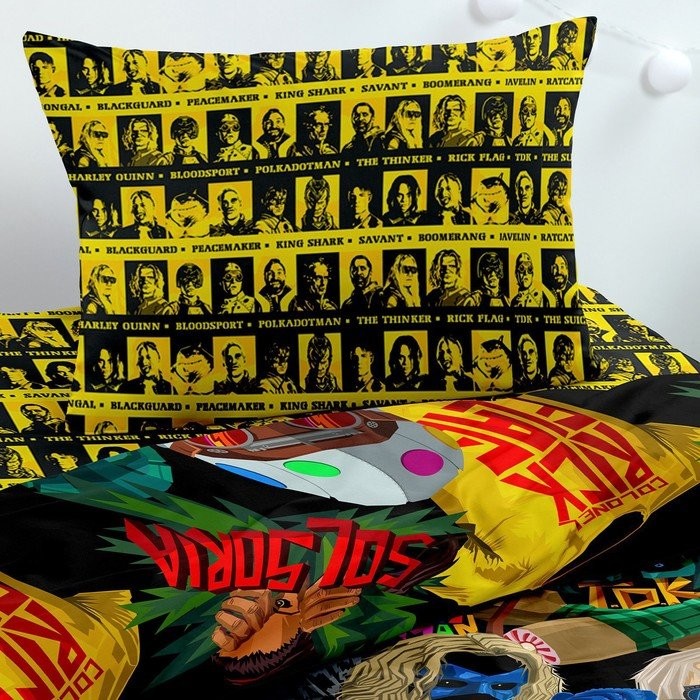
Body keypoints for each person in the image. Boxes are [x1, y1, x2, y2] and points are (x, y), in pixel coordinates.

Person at [4, 320, 70, 349]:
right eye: (42, 328)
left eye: (51, 329)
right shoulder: (30, 343)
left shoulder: (55, 342)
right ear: (30, 330)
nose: (48, 331)